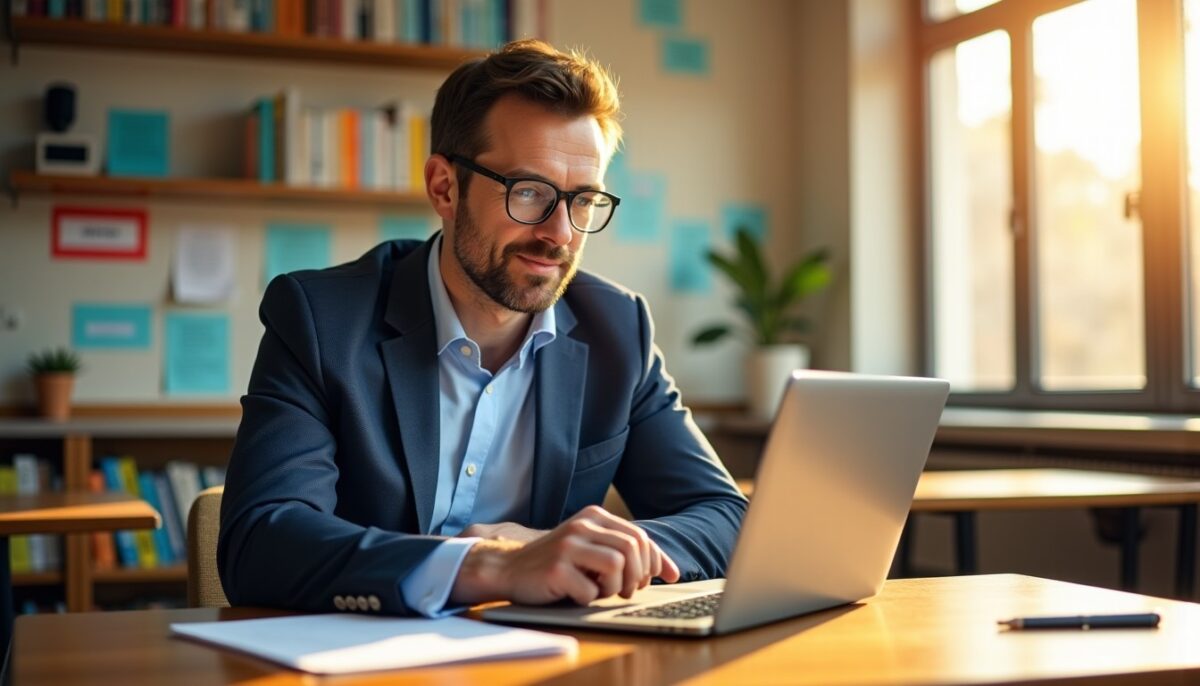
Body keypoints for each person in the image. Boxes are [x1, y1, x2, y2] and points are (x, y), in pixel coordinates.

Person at [217, 39, 747, 616]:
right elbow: (260, 541)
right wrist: (491, 564)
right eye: (529, 193)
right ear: (445, 187)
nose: (561, 234)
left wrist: (613, 554)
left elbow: (725, 518)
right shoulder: (321, 319)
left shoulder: (618, 330)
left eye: (584, 200)